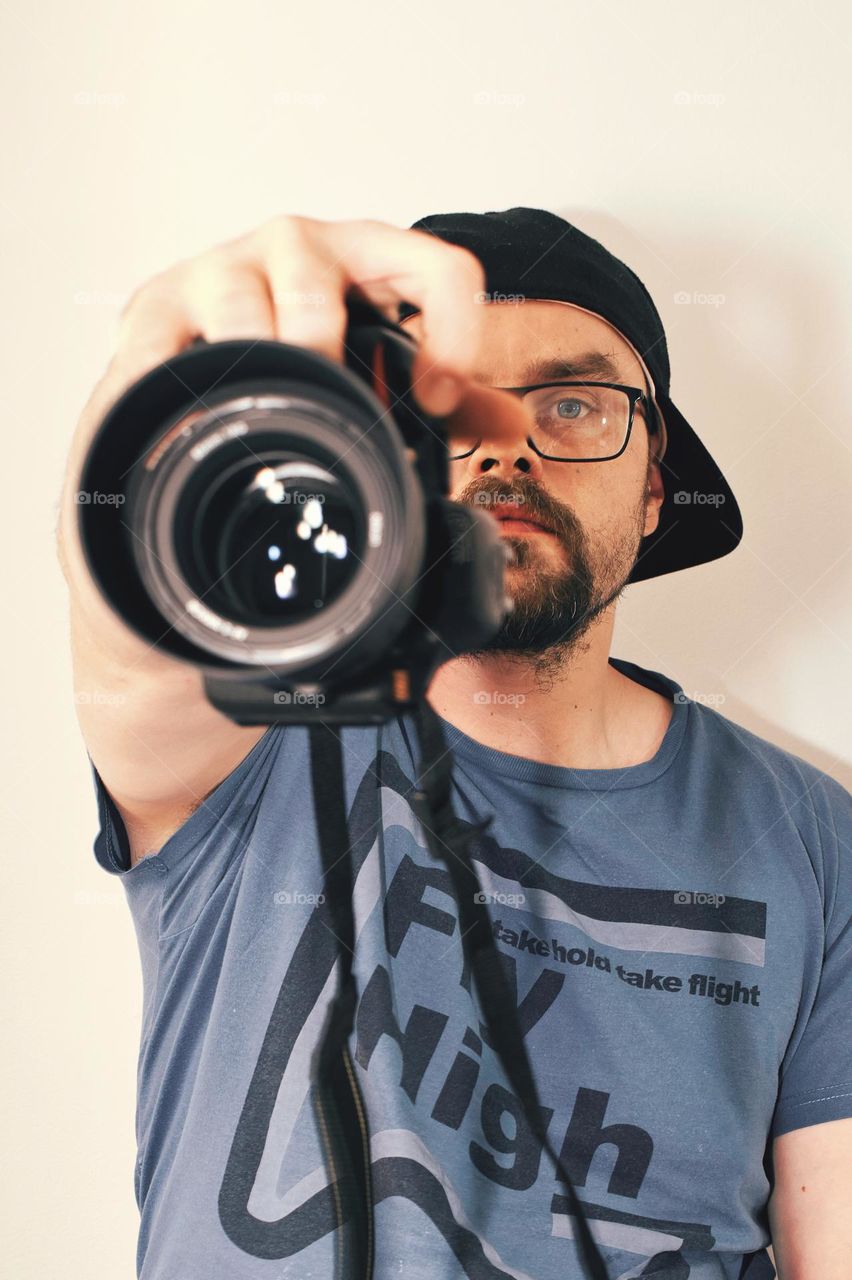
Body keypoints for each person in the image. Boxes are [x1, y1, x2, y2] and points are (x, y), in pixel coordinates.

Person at [57, 207, 852, 1279]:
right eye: (444, 407)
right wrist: (160, 395)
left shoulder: (813, 836)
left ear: (654, 490)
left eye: (572, 404)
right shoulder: (248, 735)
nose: (505, 446)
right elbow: (133, 626)